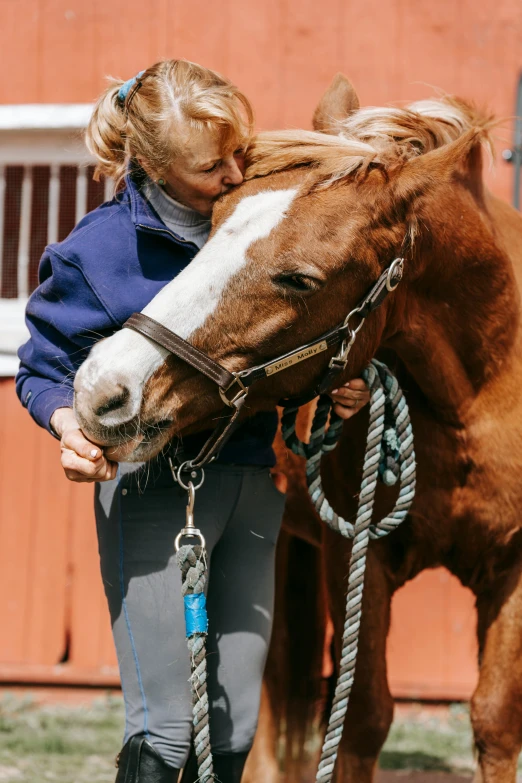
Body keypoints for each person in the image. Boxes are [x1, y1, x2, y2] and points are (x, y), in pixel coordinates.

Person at [16, 59, 369, 783]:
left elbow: (288, 335)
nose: (238, 173)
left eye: (242, 148)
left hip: (254, 481)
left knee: (235, 719)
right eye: (213, 165)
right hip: (153, 490)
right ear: (150, 163)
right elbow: (41, 366)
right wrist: (67, 427)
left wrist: (337, 384)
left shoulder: (256, 223)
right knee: (166, 732)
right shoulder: (99, 252)